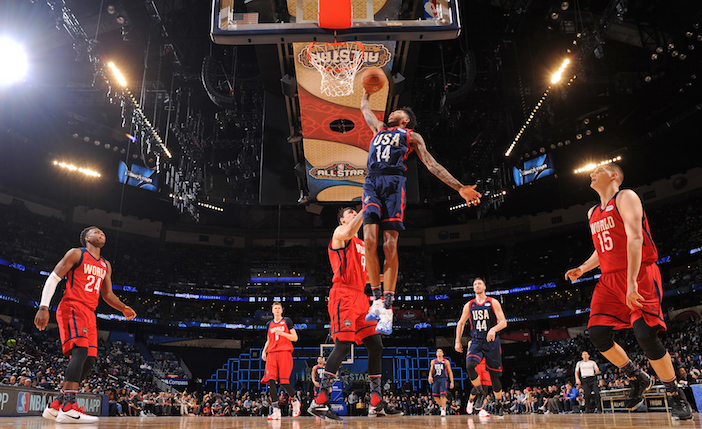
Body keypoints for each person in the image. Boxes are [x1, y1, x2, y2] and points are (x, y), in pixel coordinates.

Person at [565, 164, 692, 420]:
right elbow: (603, 250)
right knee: (598, 334)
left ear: (614, 176)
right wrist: (583, 268)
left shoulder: (625, 197)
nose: (591, 174)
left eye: (597, 170)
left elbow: (635, 238)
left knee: (645, 334)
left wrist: (632, 281)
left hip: (639, 272)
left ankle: (674, 393)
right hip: (610, 279)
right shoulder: (592, 212)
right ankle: (637, 376)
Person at [360, 91, 482, 335]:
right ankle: (375, 299)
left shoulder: (411, 136)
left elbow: (432, 165)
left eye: (398, 112)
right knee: (369, 242)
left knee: (389, 246)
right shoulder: (379, 129)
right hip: (372, 183)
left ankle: (387, 307)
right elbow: (364, 109)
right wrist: (366, 92)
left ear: (405, 121)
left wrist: (459, 188)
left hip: (394, 185)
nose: (392, 112)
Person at [308, 207, 403, 421]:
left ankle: (376, 400)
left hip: (361, 297)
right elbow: (351, 230)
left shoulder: (363, 245)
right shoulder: (340, 234)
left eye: (355, 212)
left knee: (376, 344)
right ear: (342, 219)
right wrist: (366, 207)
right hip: (343, 294)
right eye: (350, 213)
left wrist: (388, 275)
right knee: (343, 344)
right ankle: (320, 400)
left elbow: (367, 277)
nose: (354, 214)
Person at [36, 226, 136, 423]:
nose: (101, 234)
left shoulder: (105, 265)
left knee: (90, 360)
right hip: (72, 307)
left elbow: (107, 294)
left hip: (90, 313)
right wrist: (44, 306)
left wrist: (123, 307)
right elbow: (54, 277)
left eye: (102, 232)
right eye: (96, 232)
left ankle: (57, 404)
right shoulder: (76, 253)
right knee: (80, 351)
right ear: (87, 238)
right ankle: (69, 406)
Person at [455, 277, 507, 418]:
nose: (477, 286)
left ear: (484, 286)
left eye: (479, 283)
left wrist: (494, 329)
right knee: (470, 365)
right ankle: (479, 392)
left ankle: (498, 404)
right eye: (475, 284)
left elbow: (503, 322)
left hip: (491, 342)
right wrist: (457, 341)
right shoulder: (469, 305)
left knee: (495, 377)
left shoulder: (492, 302)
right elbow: (460, 323)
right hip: (477, 341)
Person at [261, 301, 301, 420]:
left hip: (284, 353)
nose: (277, 310)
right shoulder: (269, 324)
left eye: (279, 308)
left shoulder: (287, 321)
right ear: (272, 310)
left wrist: (283, 333)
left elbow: (295, 338)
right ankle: (276, 410)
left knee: (284, 382)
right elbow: (269, 340)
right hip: (272, 354)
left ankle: (294, 401)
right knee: (271, 380)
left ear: (282, 310)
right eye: (275, 308)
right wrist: (264, 351)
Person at [427, 348, 454, 416]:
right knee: (435, 396)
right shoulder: (433, 361)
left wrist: (452, 382)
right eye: (437, 351)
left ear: (442, 353)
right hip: (436, 379)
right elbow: (431, 370)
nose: (439, 352)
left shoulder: (446, 361)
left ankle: (443, 409)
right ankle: (442, 406)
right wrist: (430, 377)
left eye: (440, 351)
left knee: (443, 395)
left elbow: (450, 372)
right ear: (436, 354)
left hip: (443, 379)